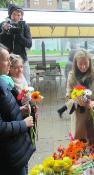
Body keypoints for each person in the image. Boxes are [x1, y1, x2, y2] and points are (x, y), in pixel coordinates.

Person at [0, 47, 35, 175]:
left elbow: (6, 111)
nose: (9, 63)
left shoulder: (3, 83)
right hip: (10, 155)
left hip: (17, 149)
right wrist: (23, 123)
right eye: (6, 60)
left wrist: (20, 110)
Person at [65, 49, 94, 153]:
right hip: (80, 119)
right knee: (80, 150)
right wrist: (76, 102)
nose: (83, 66)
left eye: (86, 63)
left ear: (90, 62)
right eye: (80, 64)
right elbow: (68, 98)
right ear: (75, 63)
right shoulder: (72, 76)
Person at [0, 4, 32, 84]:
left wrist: (19, 35)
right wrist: (4, 31)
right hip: (8, 61)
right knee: (9, 83)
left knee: (26, 83)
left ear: (21, 16)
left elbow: (29, 44)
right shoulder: (4, 24)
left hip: (22, 60)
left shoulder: (25, 26)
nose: (16, 17)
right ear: (10, 14)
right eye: (14, 14)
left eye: (19, 15)